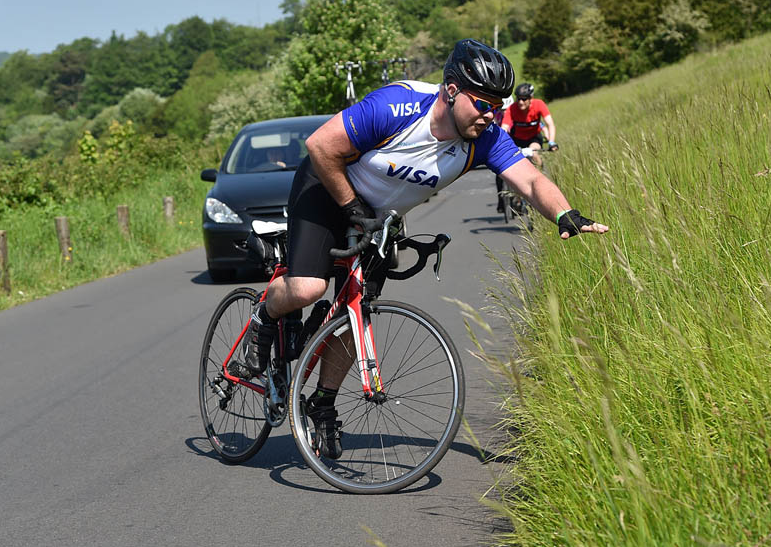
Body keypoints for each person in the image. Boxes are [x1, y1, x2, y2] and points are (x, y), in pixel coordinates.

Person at [245, 38, 607, 457]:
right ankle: (263, 313)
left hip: (377, 216)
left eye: (498, 104)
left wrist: (565, 214)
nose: (492, 114)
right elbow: (320, 146)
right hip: (327, 190)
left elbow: (530, 181)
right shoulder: (396, 106)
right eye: (483, 102)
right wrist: (352, 207)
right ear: (451, 90)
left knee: (355, 313)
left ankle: (322, 402)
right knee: (308, 288)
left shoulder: (484, 139)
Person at [497, 83, 558, 212]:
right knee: (513, 166)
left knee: (534, 153)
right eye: (518, 98)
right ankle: (517, 195)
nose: (520, 102)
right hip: (516, 139)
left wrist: (551, 142)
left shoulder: (539, 104)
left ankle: (541, 179)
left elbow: (550, 124)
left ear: (531, 98)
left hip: (534, 138)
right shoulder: (512, 109)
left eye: (524, 98)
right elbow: (505, 128)